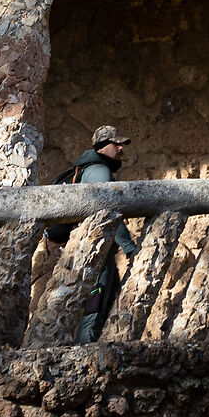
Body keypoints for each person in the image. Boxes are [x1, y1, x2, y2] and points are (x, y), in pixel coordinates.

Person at [57, 125, 138, 341]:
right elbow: (108, 212)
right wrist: (129, 248)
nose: (121, 148)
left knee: (105, 304)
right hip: (96, 254)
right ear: (102, 148)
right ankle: (85, 353)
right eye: (116, 144)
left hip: (100, 254)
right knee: (95, 306)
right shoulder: (98, 170)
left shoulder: (90, 169)